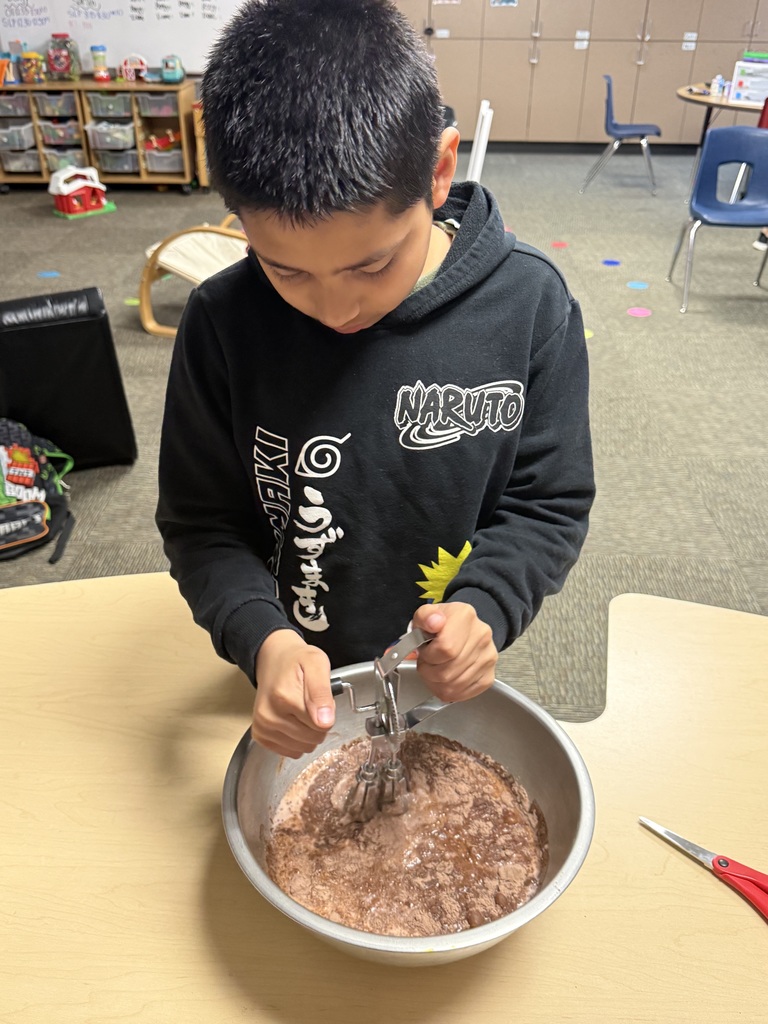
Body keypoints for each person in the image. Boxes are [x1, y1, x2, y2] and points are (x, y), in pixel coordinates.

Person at [156, 0, 595, 760]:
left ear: (439, 170)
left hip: (446, 671)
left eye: (371, 264)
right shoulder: (223, 323)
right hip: (287, 660)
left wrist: (487, 605)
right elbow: (202, 524)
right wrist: (263, 641)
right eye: (285, 268)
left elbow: (548, 502)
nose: (335, 307)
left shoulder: (530, 306)